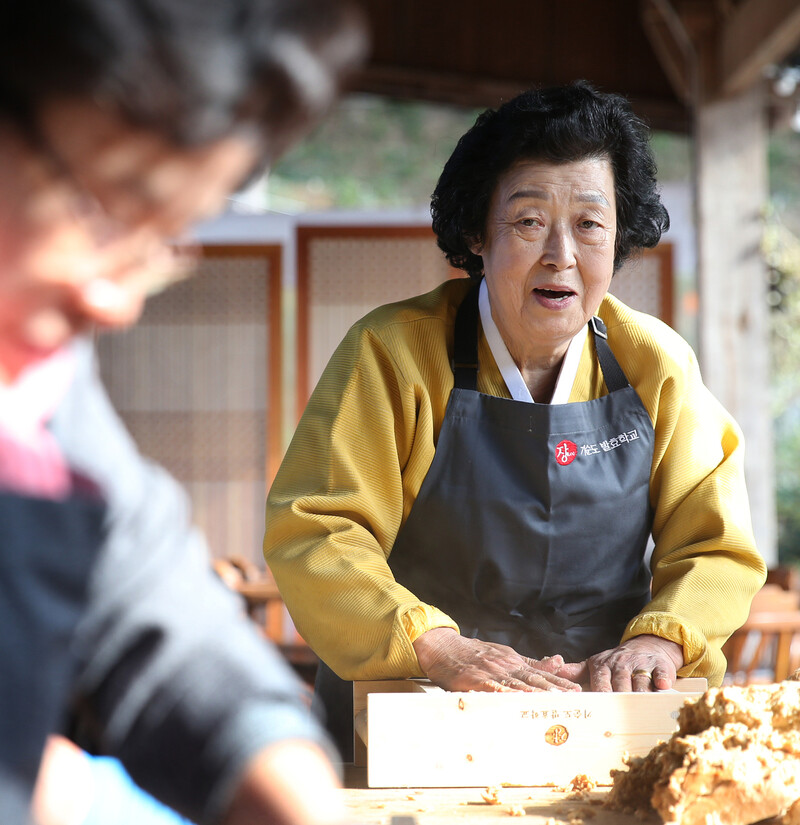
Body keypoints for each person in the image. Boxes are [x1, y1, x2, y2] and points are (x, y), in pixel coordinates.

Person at [263, 81, 767, 758]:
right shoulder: (394, 353)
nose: (561, 254)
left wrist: (659, 637)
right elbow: (316, 529)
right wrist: (439, 646)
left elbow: (715, 546)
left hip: (597, 719)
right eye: (530, 221)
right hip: (417, 710)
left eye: (589, 224)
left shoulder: (657, 364)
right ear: (478, 231)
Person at [0, 0, 365, 822]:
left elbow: (150, 601)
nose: (112, 297)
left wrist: (286, 779)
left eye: (160, 240)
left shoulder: (36, 379)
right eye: (103, 210)